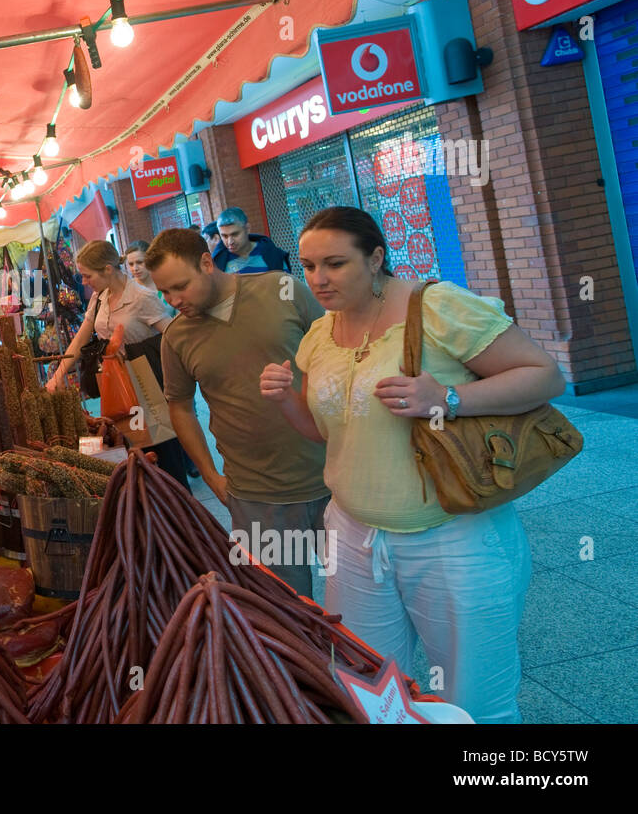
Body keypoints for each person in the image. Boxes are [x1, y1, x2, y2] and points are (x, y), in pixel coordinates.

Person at [259, 206, 564, 724]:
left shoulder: (438, 307)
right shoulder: (318, 335)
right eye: (308, 267)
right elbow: (326, 433)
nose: (319, 280)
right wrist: (287, 399)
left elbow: (545, 376)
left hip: (453, 536)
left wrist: (447, 396)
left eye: (335, 263)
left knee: (475, 705)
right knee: (370, 693)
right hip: (354, 539)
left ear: (376, 257)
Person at [146, 228, 330, 597]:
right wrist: (211, 476)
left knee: (360, 605)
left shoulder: (282, 289)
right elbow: (179, 406)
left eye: (180, 286)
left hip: (334, 480)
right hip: (257, 496)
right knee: (284, 610)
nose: (173, 300)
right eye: (164, 292)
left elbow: (333, 345)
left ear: (205, 263)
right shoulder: (177, 337)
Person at [46, 240, 192, 488]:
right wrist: (59, 374)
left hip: (146, 385)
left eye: (87, 275)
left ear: (107, 269)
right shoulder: (100, 298)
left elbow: (173, 336)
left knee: (162, 450)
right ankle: (151, 513)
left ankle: (183, 512)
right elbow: (82, 335)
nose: (83, 282)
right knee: (134, 447)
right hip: (116, 386)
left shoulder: (141, 298)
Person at [214, 207, 291, 274]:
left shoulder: (272, 255)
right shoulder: (218, 263)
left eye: (235, 234)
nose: (230, 241)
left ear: (247, 229)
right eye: (224, 236)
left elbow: (288, 287)